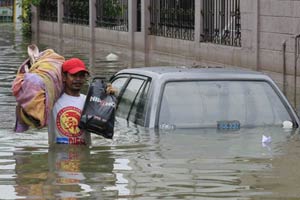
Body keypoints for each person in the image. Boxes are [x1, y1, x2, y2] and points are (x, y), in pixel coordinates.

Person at [48, 57, 117, 145]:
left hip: (84, 155)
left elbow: (106, 121)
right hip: (58, 155)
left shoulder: (90, 101)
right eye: (74, 75)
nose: (78, 79)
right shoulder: (52, 101)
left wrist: (109, 99)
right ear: (64, 77)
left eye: (81, 75)